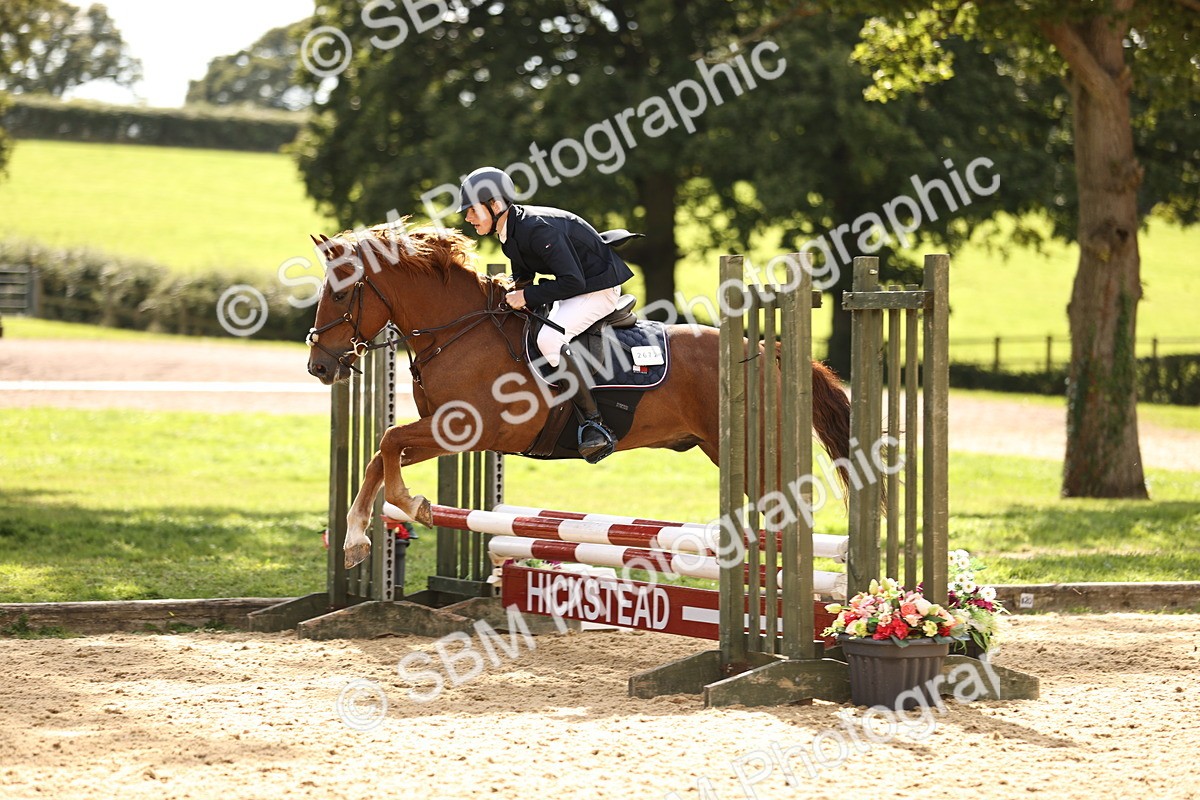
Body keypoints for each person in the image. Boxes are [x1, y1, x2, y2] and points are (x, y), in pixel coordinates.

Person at [457, 166, 635, 461]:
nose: (467, 218)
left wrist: (525, 295)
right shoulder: (510, 230)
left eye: (473, 211)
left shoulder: (536, 229)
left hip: (597, 289)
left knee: (549, 340)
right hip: (576, 287)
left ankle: (595, 423)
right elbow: (525, 273)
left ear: (495, 204)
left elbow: (572, 281)